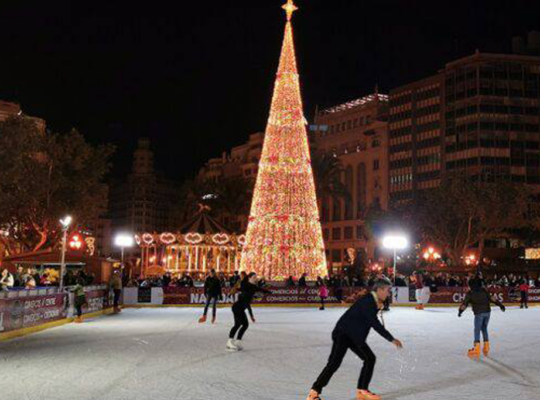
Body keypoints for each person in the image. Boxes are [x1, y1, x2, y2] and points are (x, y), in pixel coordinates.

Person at [307, 278, 403, 400]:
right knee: (335, 363)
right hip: (344, 334)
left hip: (353, 335)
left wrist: (377, 308)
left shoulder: (372, 301)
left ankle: (361, 391)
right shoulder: (368, 301)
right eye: (388, 291)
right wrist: (391, 339)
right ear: (379, 289)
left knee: (369, 358)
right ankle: (314, 393)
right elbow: (375, 324)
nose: (389, 294)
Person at [458, 278, 506, 357]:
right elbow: (492, 298)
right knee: (484, 328)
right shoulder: (484, 290)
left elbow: (464, 304)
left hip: (479, 313)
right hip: (487, 312)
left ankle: (476, 348)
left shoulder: (470, 293)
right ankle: (486, 347)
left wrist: (460, 311)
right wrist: (500, 305)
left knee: (477, 329)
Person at [227, 272, 271, 351]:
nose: (255, 278)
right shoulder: (245, 284)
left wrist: (267, 292)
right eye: (254, 277)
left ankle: (238, 342)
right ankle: (229, 342)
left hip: (241, 308)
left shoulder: (253, 287)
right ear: (249, 278)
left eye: (256, 277)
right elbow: (243, 287)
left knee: (245, 325)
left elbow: (259, 289)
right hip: (237, 307)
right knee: (238, 324)